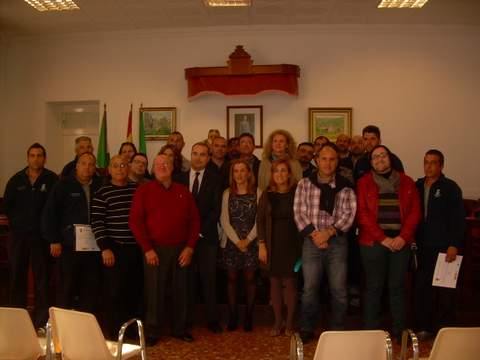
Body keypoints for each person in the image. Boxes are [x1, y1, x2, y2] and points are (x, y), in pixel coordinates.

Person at [129, 154, 200, 345]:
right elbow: (135, 222)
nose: (163, 166)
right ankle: (152, 331)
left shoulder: (183, 191)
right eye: (158, 164)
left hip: (181, 250)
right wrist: (147, 249)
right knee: (154, 291)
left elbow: (195, 222)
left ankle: (179, 328)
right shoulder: (143, 191)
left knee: (181, 290)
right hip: (154, 250)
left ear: (172, 168)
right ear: (152, 169)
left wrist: (190, 248)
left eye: (166, 163)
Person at [356, 145, 421, 342]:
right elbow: (362, 214)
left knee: (397, 287)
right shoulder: (363, 182)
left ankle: (399, 330)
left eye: (383, 155)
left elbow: (415, 212)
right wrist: (383, 238)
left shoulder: (407, 182)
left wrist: (403, 237)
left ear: (390, 158)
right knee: (374, 287)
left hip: (401, 243)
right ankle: (370, 332)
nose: (379, 159)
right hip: (373, 243)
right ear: (371, 162)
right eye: (375, 157)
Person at [293, 143, 356, 343]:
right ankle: (307, 328)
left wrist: (328, 233)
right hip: (311, 243)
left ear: (337, 162)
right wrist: (316, 236)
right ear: (316, 160)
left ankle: (337, 328)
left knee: (339, 289)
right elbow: (299, 213)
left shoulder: (345, 185)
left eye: (332, 159)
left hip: (337, 243)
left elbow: (349, 214)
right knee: (310, 288)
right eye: (324, 159)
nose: (328, 163)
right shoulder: (304, 183)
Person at [3, 143, 58, 329]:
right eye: (32, 155)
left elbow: (56, 208)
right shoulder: (16, 179)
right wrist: (18, 223)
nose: (36, 159)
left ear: (45, 158)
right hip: (18, 237)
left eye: (40, 155)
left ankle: (42, 323)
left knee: (43, 280)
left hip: (42, 238)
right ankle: (17, 321)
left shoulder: (51, 179)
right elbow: (7, 207)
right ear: (27, 157)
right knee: (16, 278)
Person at [414, 149, 466, 340]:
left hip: (445, 248)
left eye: (433, 163)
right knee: (422, 288)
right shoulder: (417, 185)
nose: (429, 166)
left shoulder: (450, 187)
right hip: (422, 247)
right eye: (426, 162)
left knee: (445, 292)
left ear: (441, 166)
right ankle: (424, 328)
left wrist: (454, 244)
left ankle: (444, 331)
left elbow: (458, 220)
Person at [42, 152, 103, 312]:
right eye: (83, 163)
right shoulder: (63, 185)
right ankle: (63, 326)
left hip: (93, 247)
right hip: (69, 245)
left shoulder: (100, 185)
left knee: (90, 288)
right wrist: (54, 240)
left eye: (91, 164)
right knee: (66, 287)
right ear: (76, 165)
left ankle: (85, 326)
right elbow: (50, 214)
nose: (87, 167)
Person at [91, 155, 143, 339]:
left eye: (123, 165)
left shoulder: (137, 190)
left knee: (134, 291)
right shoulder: (102, 192)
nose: (120, 169)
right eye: (115, 166)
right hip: (113, 249)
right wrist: (105, 248)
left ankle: (132, 331)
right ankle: (114, 333)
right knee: (114, 293)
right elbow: (97, 222)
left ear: (128, 168)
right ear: (109, 170)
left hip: (136, 249)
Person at [177, 142, 223, 333]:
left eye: (203, 154)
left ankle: (212, 320)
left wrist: (197, 233)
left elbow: (216, 210)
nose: (198, 158)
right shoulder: (178, 179)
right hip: (182, 239)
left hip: (207, 238)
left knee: (209, 280)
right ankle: (186, 320)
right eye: (195, 154)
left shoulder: (216, 179)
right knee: (186, 281)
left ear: (208, 156)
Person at [257, 159, 301, 336]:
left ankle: (290, 323)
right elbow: (260, 220)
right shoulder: (267, 194)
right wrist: (262, 245)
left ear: (289, 174)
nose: (280, 174)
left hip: (293, 244)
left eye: (283, 171)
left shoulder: (297, 192)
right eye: (276, 171)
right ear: (272, 175)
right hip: (271, 244)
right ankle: (277, 322)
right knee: (274, 283)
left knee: (290, 283)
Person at [220, 159, 262, 332]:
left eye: (242, 170)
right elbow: (224, 220)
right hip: (232, 243)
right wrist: (237, 241)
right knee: (231, 279)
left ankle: (249, 316)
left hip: (251, 243)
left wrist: (248, 240)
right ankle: (232, 315)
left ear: (249, 173)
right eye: (235, 171)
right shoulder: (227, 193)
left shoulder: (258, 192)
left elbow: (260, 220)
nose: (239, 174)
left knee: (250, 279)